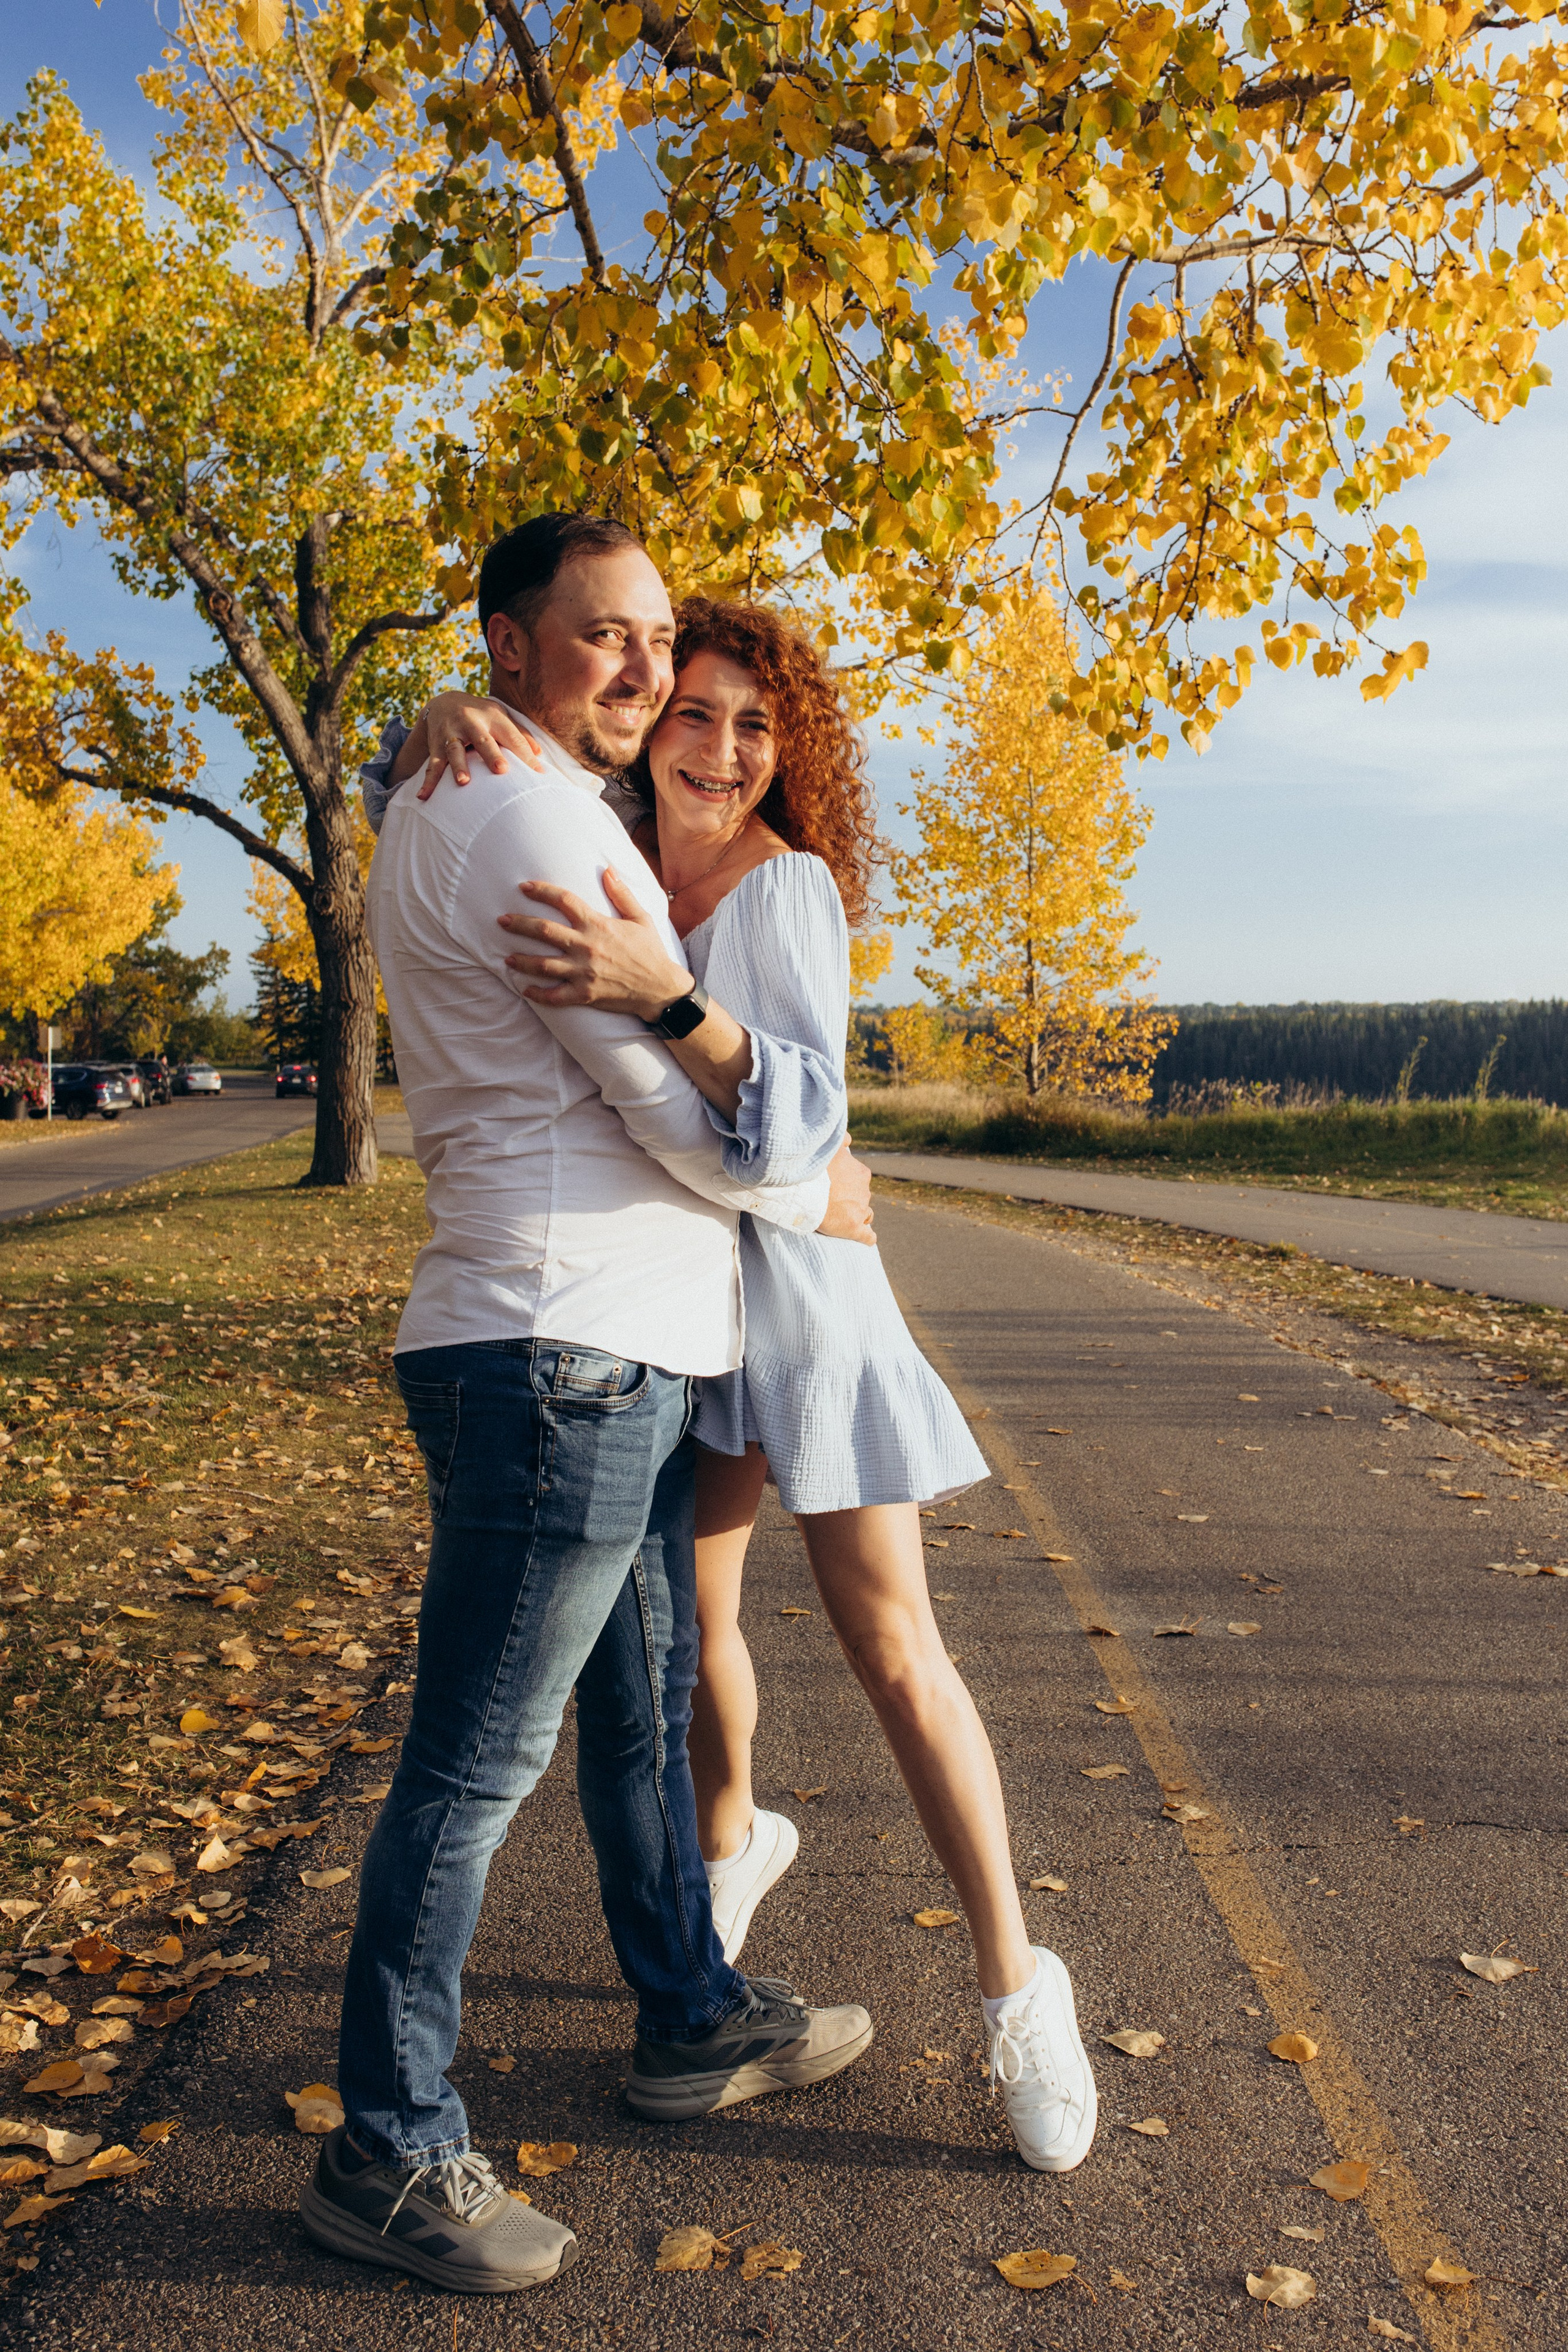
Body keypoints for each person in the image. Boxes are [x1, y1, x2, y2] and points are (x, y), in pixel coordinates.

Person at [402, 595, 1098, 2176]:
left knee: (891, 1644)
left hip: (812, 1306)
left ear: (792, 754)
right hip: (689, 1311)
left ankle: (1017, 1985)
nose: (718, 748)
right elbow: (497, 751)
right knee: (685, 1638)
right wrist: (435, 713)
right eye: (695, 714)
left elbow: (798, 1123)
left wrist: (664, 989)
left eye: (754, 726)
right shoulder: (600, 840)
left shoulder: (784, 891)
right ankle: (732, 1845)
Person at [300, 516, 879, 2301]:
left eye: (653, 639)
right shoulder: (540, 817)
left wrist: (434, 712)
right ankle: (387, 2145)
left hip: (571, 1336)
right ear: (508, 643)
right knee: (475, 1764)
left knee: (641, 1707)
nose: (639, 671)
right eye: (602, 639)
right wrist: (818, 1177)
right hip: (559, 1343)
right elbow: (664, 1101)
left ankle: (688, 2011)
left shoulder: (467, 787)